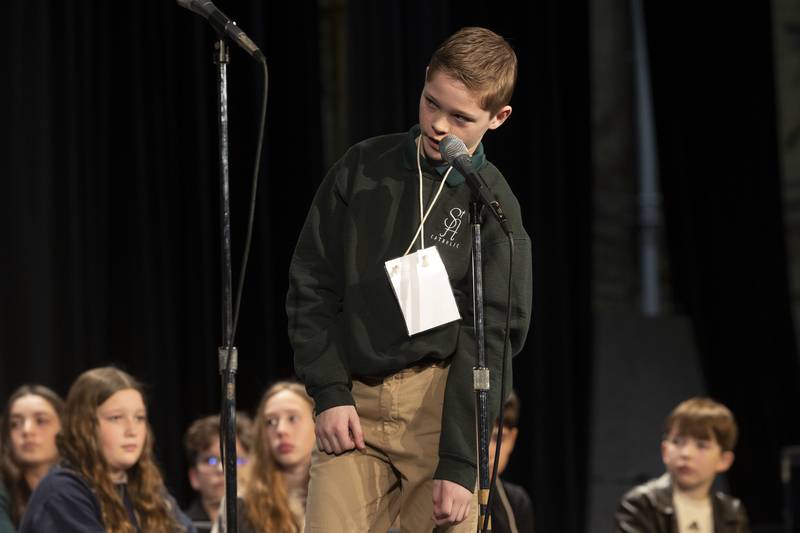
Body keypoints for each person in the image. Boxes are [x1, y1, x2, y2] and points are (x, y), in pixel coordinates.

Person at [286, 26, 532, 532]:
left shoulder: (495, 207)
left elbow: (494, 337)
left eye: (461, 117)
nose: (439, 125)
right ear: (424, 81)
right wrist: (329, 392)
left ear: (498, 118)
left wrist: (462, 461)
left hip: (440, 411)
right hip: (355, 399)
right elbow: (311, 285)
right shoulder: (363, 167)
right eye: (431, 103)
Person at [18, 366, 195, 532]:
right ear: (85, 426)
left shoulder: (145, 487)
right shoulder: (62, 492)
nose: (131, 430)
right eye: (116, 418)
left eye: (139, 418)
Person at [614, 397, 750, 533]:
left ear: (723, 460)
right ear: (665, 451)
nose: (686, 453)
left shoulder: (732, 513)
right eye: (677, 442)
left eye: (701, 445)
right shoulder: (642, 504)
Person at [214, 381, 316, 533]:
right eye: (270, 422)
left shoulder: (341, 492)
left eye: (292, 418)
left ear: (318, 423)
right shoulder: (241, 504)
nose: (281, 430)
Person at [0, 384, 64, 530]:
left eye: (41, 421)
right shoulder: (3, 489)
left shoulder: (84, 485)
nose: (27, 431)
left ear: (64, 428)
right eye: (15, 424)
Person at [183, 413, 253, 533]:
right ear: (194, 476)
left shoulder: (270, 523)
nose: (222, 469)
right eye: (210, 461)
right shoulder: (178, 526)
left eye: (235, 460)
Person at [488, 390, 534, 533]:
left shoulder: (517, 503)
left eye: (497, 438)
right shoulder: (443, 499)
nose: (488, 451)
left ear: (512, 439)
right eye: (480, 437)